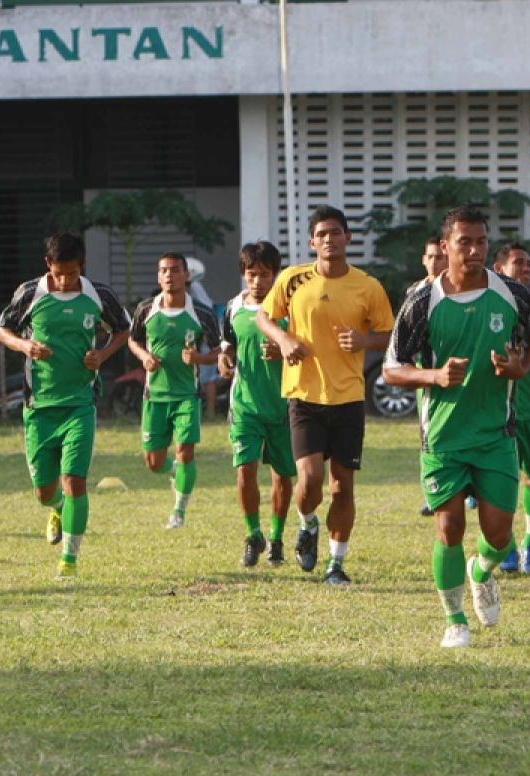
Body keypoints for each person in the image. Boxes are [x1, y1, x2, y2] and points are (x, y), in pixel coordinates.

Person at [383, 205, 530, 647]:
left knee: (498, 534)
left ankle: (481, 571)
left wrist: (517, 368)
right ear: (446, 246)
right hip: (444, 437)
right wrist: (433, 376)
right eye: (464, 242)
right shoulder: (422, 300)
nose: (473, 250)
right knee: (449, 527)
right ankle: (455, 620)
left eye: (480, 242)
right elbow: (392, 369)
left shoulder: (512, 294)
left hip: (495, 434)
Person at [256, 205, 395, 585]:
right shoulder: (292, 279)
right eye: (322, 234)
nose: (329, 239)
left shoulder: (368, 286)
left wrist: (365, 340)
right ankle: (307, 523)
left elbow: (389, 334)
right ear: (311, 242)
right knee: (310, 479)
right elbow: (263, 317)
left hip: (348, 398)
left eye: (336, 232)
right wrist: (283, 339)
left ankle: (336, 564)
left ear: (347, 238)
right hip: (304, 396)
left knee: (342, 485)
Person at [0, 232, 131, 580]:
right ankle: (56, 509)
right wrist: (25, 347)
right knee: (45, 491)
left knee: (74, 481)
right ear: (48, 266)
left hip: (80, 403)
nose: (65, 280)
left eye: (71, 273)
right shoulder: (29, 293)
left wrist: (101, 354)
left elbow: (124, 329)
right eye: (58, 273)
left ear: (81, 265)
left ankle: (69, 561)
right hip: (38, 405)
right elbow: (2, 330)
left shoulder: (97, 294)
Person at [127, 252, 221, 529]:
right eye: (164, 271)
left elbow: (218, 351)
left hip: (186, 396)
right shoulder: (146, 309)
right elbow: (133, 340)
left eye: (175, 270)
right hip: (154, 396)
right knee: (154, 463)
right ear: (159, 276)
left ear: (186, 275)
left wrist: (199, 359)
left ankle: (178, 511)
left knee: (185, 451)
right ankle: (175, 472)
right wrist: (144, 357)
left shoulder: (201, 312)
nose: (169, 275)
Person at [218, 242, 297, 567]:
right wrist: (224, 360)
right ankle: (253, 534)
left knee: (282, 476)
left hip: (283, 406)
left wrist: (284, 351)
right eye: (252, 275)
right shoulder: (233, 307)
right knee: (245, 470)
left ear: (275, 275)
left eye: (264, 275)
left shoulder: (290, 308)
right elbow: (228, 346)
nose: (258, 282)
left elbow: (305, 349)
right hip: (245, 407)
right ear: (243, 275)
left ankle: (276, 537)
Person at [491, 241, 530, 574]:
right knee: (502, 483)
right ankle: (508, 545)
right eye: (519, 263)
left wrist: (525, 361)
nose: (527, 269)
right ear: (499, 269)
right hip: (497, 411)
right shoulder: (488, 306)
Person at [410, 235, 449, 517]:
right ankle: (431, 490)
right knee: (427, 432)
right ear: (424, 260)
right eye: (431, 256)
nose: (435, 261)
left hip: (456, 371)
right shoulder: (415, 291)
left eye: (440, 256)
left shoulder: (456, 289)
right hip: (426, 375)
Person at [184, 257, 222, 419]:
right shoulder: (192, 288)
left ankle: (211, 412)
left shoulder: (194, 288)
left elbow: (205, 312)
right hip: (197, 335)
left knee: (207, 376)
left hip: (206, 334)